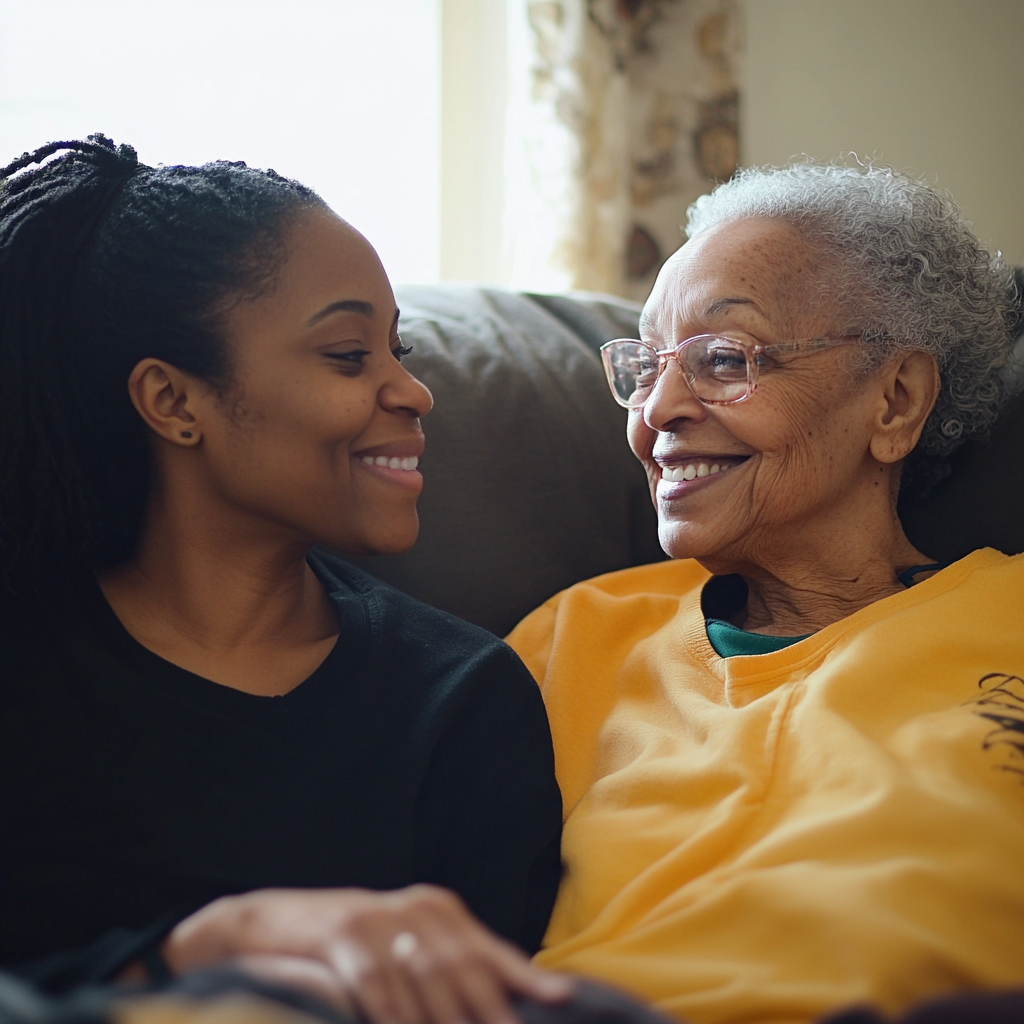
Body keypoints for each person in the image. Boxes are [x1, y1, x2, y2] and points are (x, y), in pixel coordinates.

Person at [0, 135, 570, 1024]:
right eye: (348, 356)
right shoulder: (23, 660)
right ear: (173, 401)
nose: (413, 392)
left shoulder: (463, 701)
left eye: (399, 350)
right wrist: (201, 956)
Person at [506, 163, 1024, 1024]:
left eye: (722, 359)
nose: (656, 411)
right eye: (645, 368)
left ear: (895, 401)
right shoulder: (576, 637)